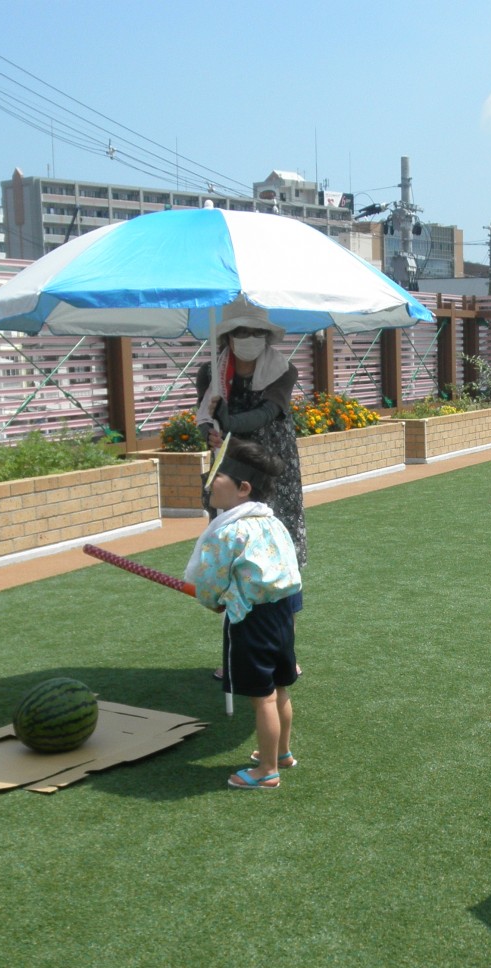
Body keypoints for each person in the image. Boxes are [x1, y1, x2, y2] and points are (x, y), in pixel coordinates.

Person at [183, 436, 302, 789]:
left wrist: (211, 601)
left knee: (262, 697)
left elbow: (210, 581)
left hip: (251, 621)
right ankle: (282, 753)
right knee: (280, 689)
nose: (209, 482)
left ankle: (267, 771)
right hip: (282, 617)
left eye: (217, 476)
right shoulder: (273, 522)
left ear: (243, 488)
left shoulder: (229, 532)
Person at [195, 298, 305, 582]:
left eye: (258, 332)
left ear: (267, 336)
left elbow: (266, 413)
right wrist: (210, 433)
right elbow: (204, 415)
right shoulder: (210, 372)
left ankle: (281, 594)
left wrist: (229, 423)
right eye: (242, 332)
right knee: (231, 530)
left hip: (270, 461)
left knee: (275, 528)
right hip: (230, 463)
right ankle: (231, 594)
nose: (250, 338)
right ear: (228, 336)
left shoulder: (283, 370)